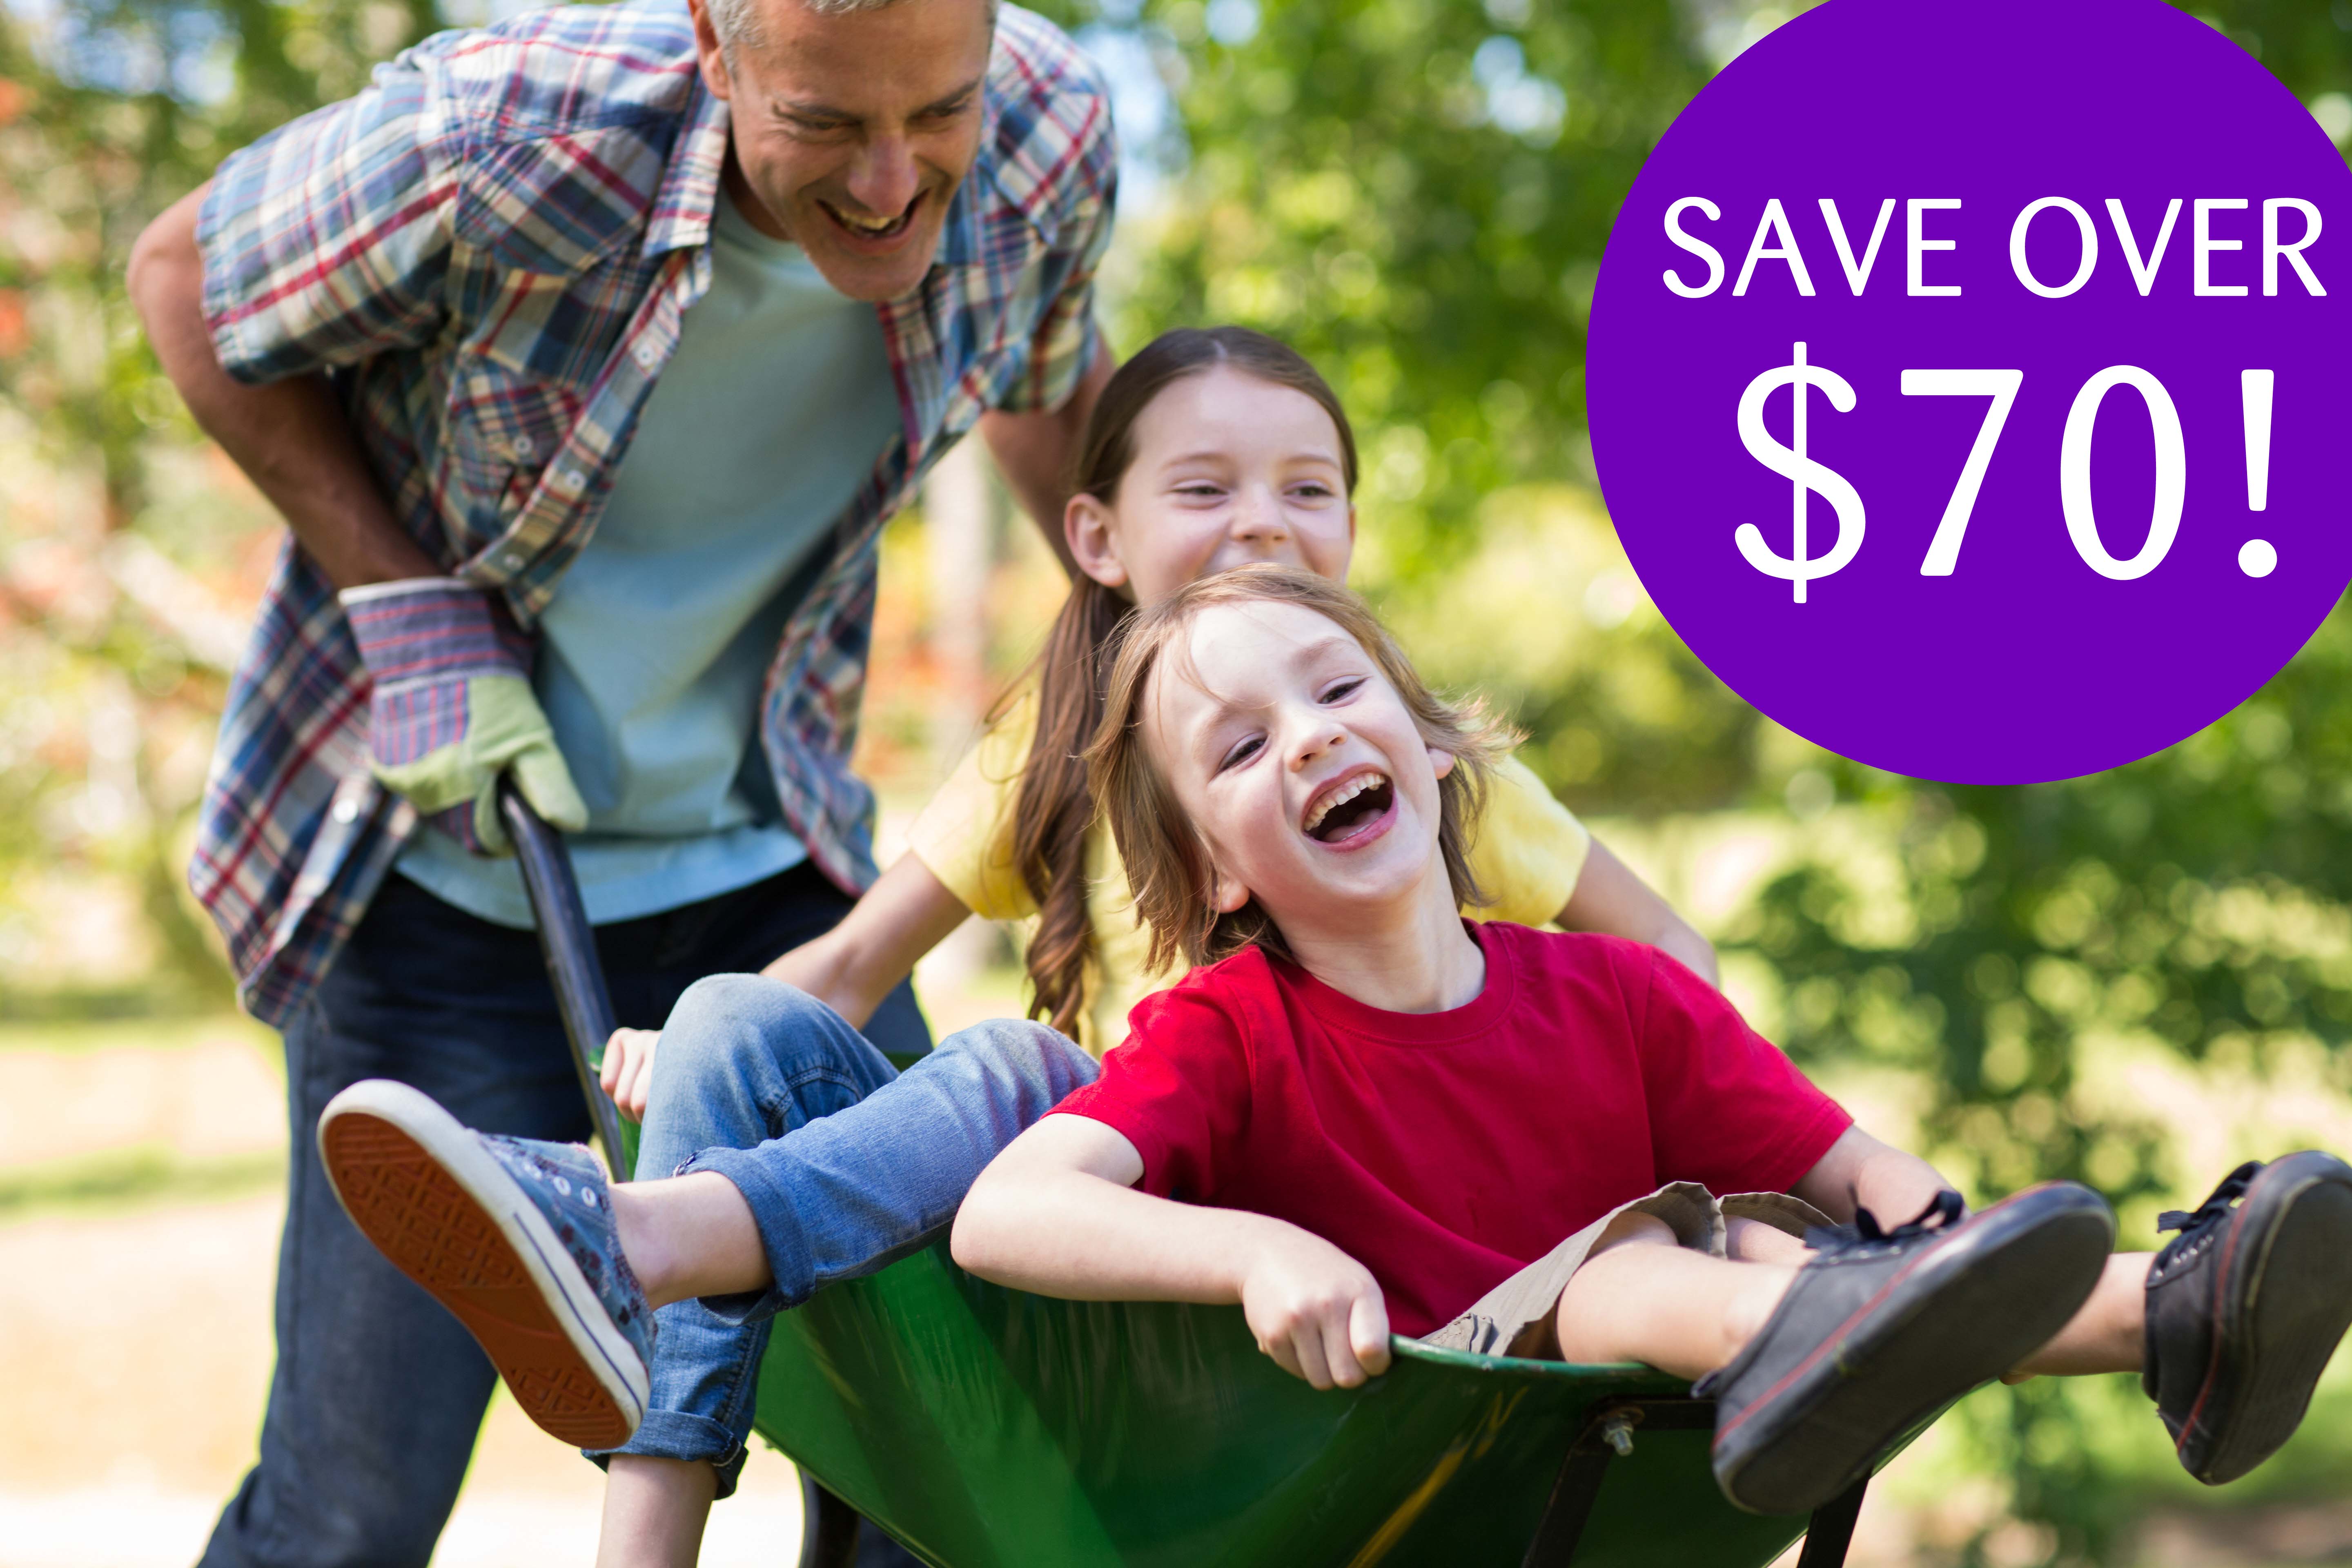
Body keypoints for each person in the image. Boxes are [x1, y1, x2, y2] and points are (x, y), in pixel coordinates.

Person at [319, 568, 2352, 1521]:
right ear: (1209, 866)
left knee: (1767, 1256)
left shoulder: (1620, 999)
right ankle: (630, 1243)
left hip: (1603, 1434)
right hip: (1400, 1432)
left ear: (1434, 743)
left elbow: (1863, 1178)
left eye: (1337, 688)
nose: (1306, 734)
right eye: (1237, 741)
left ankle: (2175, 1322)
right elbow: (1024, 1211)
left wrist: (1935, 1233)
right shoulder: (1223, 1032)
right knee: (1675, 1269)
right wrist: (1256, 1250)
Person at [123, 0, 1116, 1554]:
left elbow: (1059, 409)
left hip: (773, 884)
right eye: (825, 124)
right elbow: (185, 278)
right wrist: (402, 600)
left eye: (937, 112)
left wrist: (1207, 639)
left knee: (934, 1463)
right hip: (450, 899)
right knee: (354, 1507)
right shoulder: (510, 138)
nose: (885, 182)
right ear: (716, 46)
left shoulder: (1047, 140)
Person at [597, 326, 1716, 1129]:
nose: (1264, 524)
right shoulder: (1066, 740)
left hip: (1369, 1172)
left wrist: (1593, 1124)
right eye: (1203, 490)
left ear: (1350, 528)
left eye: (1307, 490)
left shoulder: (1395, 752)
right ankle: (647, 1263)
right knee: (1005, 1073)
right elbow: (849, 969)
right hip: (1156, 1190)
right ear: (1097, 538)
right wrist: (704, 1046)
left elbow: (1671, 949)